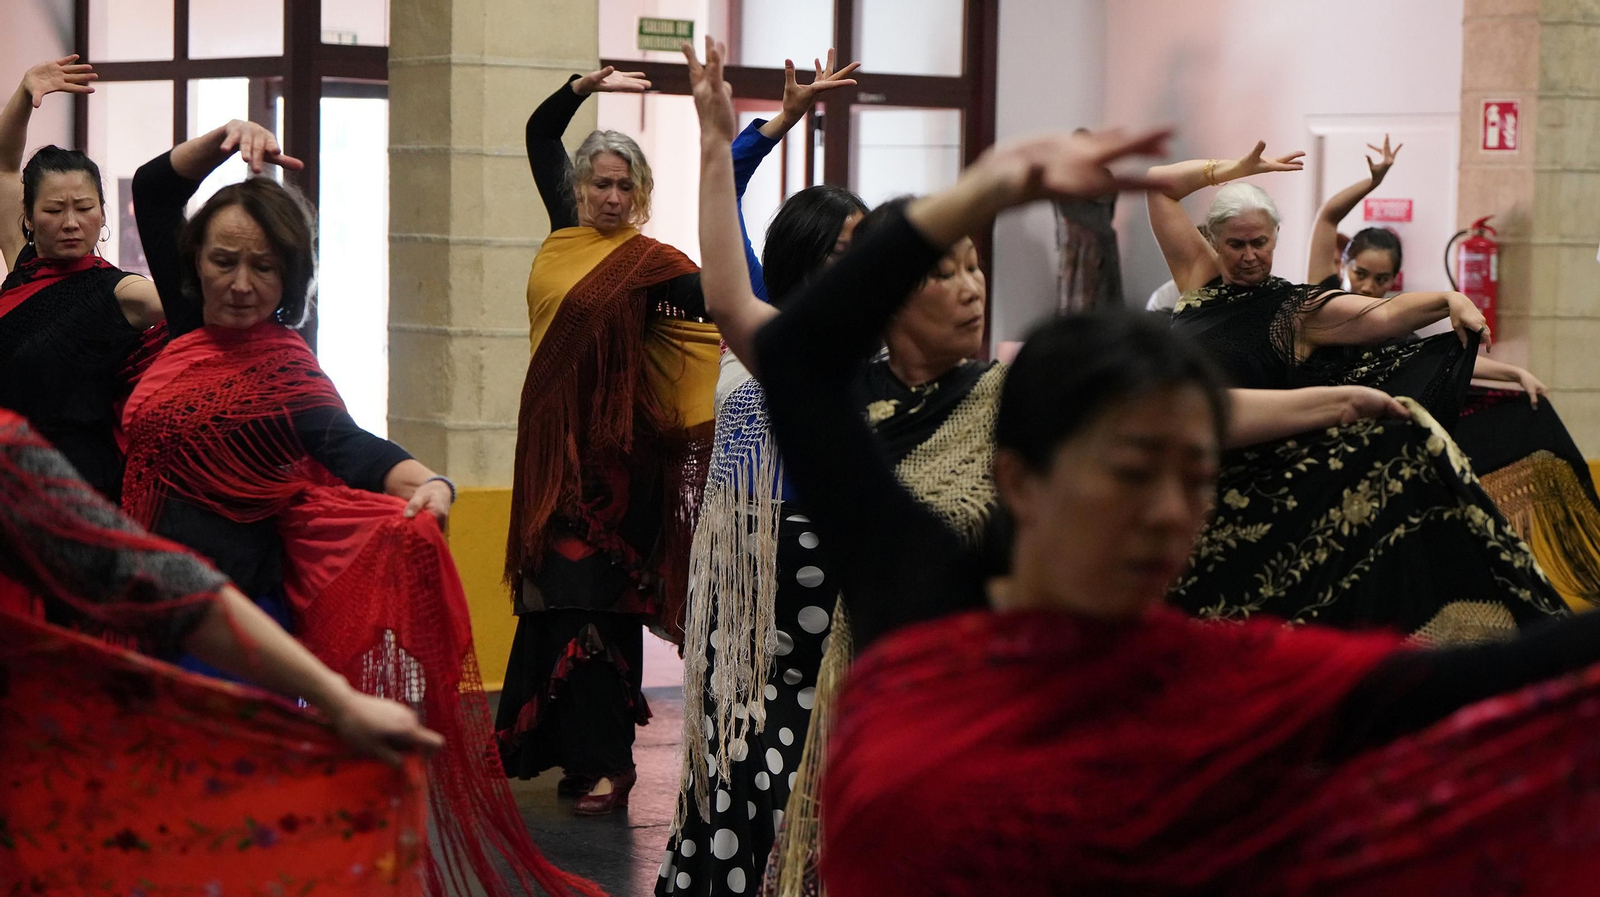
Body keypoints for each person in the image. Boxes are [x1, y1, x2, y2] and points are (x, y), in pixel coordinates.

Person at [751, 134, 1600, 896]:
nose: (1167, 513)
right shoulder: (919, 598)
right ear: (1022, 478)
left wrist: (1359, 389)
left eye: (1194, 477)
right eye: (1129, 471)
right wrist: (982, 192)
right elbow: (797, 358)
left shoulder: (1216, 678)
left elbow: (1485, 682)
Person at [124, 121, 601, 897]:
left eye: (264, 267)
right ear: (195, 266)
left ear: (292, 279)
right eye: (223, 261)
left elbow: (358, 450)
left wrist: (432, 485)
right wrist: (222, 142)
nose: (241, 282)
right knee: (149, 808)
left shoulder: (287, 374)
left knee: (222, 810)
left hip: (233, 624)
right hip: (142, 601)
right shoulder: (187, 323)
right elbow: (153, 189)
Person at [0, 408, 440, 892]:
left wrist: (428, 479)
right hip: (156, 624)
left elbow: (342, 439)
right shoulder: (156, 367)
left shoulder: (282, 368)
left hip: (232, 599)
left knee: (223, 781)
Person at [1150, 143, 1564, 638]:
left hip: (1251, 476)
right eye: (1235, 244)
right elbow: (1158, 184)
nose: (1249, 256)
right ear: (1212, 240)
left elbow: (1387, 317)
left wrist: (1450, 298)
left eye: (1259, 242)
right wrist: (1229, 170)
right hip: (1179, 463)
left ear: (1276, 237)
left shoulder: (1296, 309)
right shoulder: (1197, 278)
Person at [663, 47, 863, 896]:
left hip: (830, 572)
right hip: (743, 567)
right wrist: (769, 127)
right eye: (850, 247)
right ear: (809, 254)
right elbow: (724, 200)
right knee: (735, 763)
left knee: (824, 763)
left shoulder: (875, 351)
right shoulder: (761, 319)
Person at [498, 64, 722, 817]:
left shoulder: (651, 268)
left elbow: (717, 306)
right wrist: (578, 84)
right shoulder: (563, 238)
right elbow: (537, 132)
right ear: (579, 189)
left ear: (642, 193)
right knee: (551, 602)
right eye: (600, 183)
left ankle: (608, 761)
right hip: (548, 455)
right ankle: (569, 754)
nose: (613, 197)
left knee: (599, 606)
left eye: (626, 186)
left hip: (616, 470)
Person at [1306, 144, 1600, 609]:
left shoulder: (1392, 320)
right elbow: (1325, 218)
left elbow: (1446, 358)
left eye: (1379, 280)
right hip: (1320, 450)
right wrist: (1374, 182)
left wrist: (1514, 372)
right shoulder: (1321, 301)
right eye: (1360, 273)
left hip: (1378, 457)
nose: (1366, 286)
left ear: (1392, 281)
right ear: (1345, 264)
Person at [0, 56, 166, 503]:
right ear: (29, 219)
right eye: (54, 210)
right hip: (10, 475)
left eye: (84, 207)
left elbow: (192, 307)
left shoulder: (121, 291)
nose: (71, 222)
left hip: (82, 488)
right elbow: (3, 166)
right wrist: (23, 92)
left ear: (102, 213)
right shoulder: (23, 263)